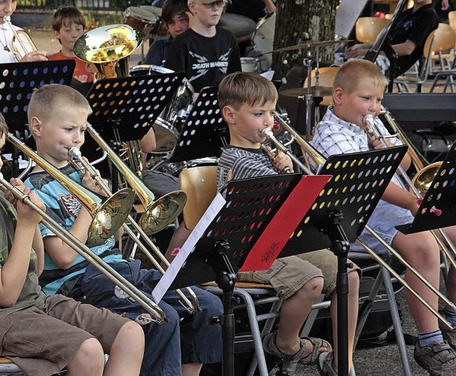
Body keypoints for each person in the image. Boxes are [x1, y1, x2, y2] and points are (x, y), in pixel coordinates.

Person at [0, 94, 144, 376]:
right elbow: (5, 295)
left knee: (130, 333)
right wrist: (26, 225)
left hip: (33, 303)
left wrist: (32, 217)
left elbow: (37, 268)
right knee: (87, 350)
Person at [23, 84, 223, 376]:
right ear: (37, 127)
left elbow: (111, 240)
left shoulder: (82, 174)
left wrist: (108, 202)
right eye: (69, 129)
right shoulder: (34, 189)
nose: (78, 139)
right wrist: (90, 204)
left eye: (82, 130)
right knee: (159, 317)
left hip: (118, 268)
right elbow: (64, 257)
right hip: (78, 282)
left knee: (207, 306)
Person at [311, 59, 456, 376]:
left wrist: (385, 142)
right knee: (424, 245)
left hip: (386, 208)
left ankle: (452, 315)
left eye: (378, 100)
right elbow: (369, 182)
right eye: (366, 99)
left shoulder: (370, 124)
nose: (374, 107)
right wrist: (411, 201)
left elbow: (404, 163)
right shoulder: (330, 134)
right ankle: (429, 341)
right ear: (339, 96)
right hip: (354, 215)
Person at [217, 72, 361, 376]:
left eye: (270, 113)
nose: (268, 122)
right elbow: (287, 201)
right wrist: (288, 173)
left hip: (277, 242)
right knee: (310, 280)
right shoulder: (237, 160)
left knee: (347, 271)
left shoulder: (264, 156)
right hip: (245, 248)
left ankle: (343, 362)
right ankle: (286, 344)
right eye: (258, 114)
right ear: (230, 115)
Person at [345, 0, 438, 79]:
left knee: (351, 70)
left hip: (394, 62)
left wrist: (367, 52)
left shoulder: (428, 15)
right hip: (382, 56)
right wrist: (362, 46)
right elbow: (386, 43)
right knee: (340, 61)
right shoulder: (406, 13)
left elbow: (407, 49)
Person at [164, 0, 241, 93]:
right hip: (192, 106)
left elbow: (236, 82)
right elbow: (172, 87)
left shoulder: (229, 39)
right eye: (209, 4)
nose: (215, 8)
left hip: (223, 105)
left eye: (220, 3)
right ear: (192, 7)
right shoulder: (181, 44)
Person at [48, 7, 94, 85]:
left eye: (78, 29)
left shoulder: (91, 61)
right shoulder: (49, 62)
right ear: (57, 34)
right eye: (68, 30)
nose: (74, 35)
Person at [143, 0, 190, 66]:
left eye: (183, 20)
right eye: (171, 23)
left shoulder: (206, 47)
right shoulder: (159, 49)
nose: (177, 28)